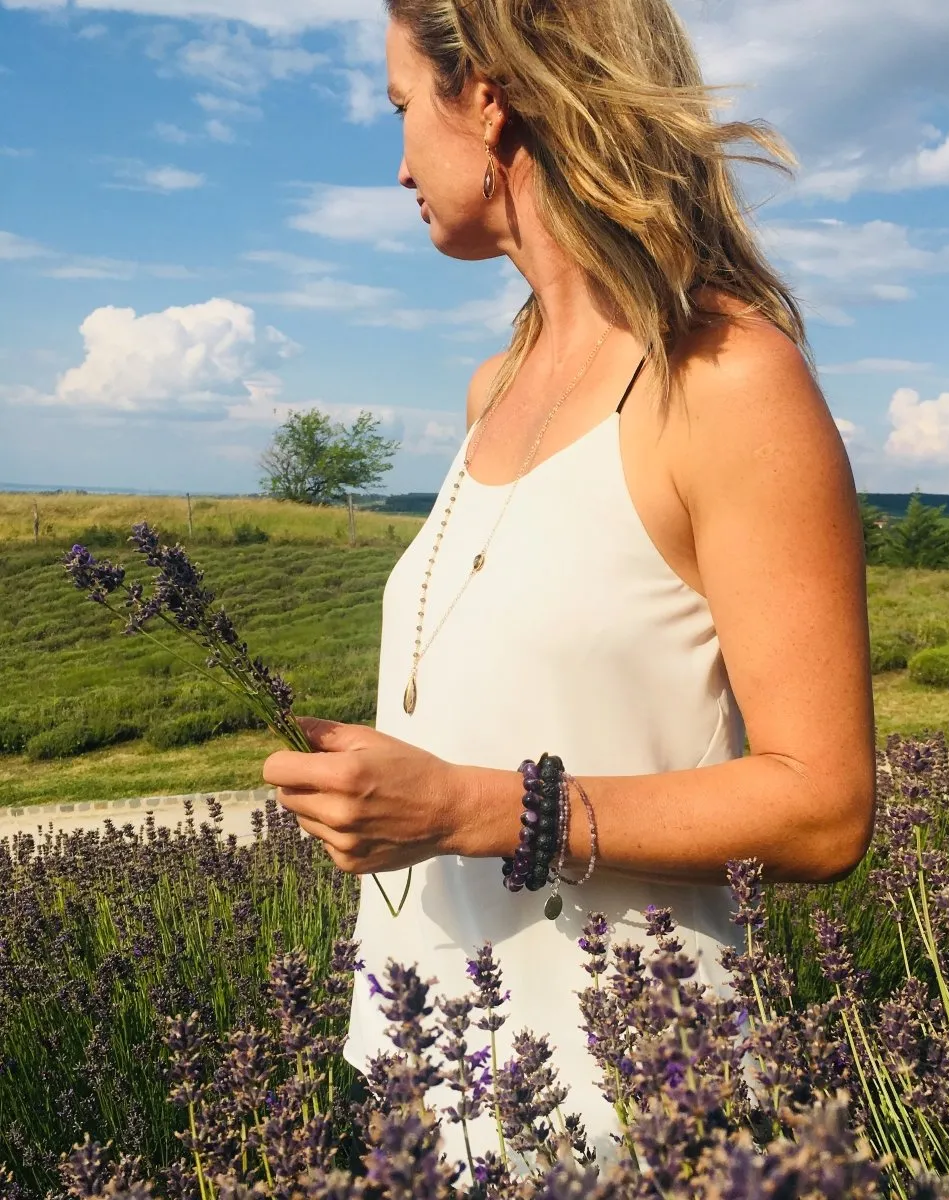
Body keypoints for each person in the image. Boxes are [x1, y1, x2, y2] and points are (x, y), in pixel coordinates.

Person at [262, 0, 876, 1173]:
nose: (396, 166)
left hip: (628, 1101)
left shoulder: (725, 381)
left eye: (403, 110)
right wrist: (390, 776)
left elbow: (823, 805)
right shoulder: (494, 385)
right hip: (424, 1070)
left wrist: (466, 808)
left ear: (487, 95)